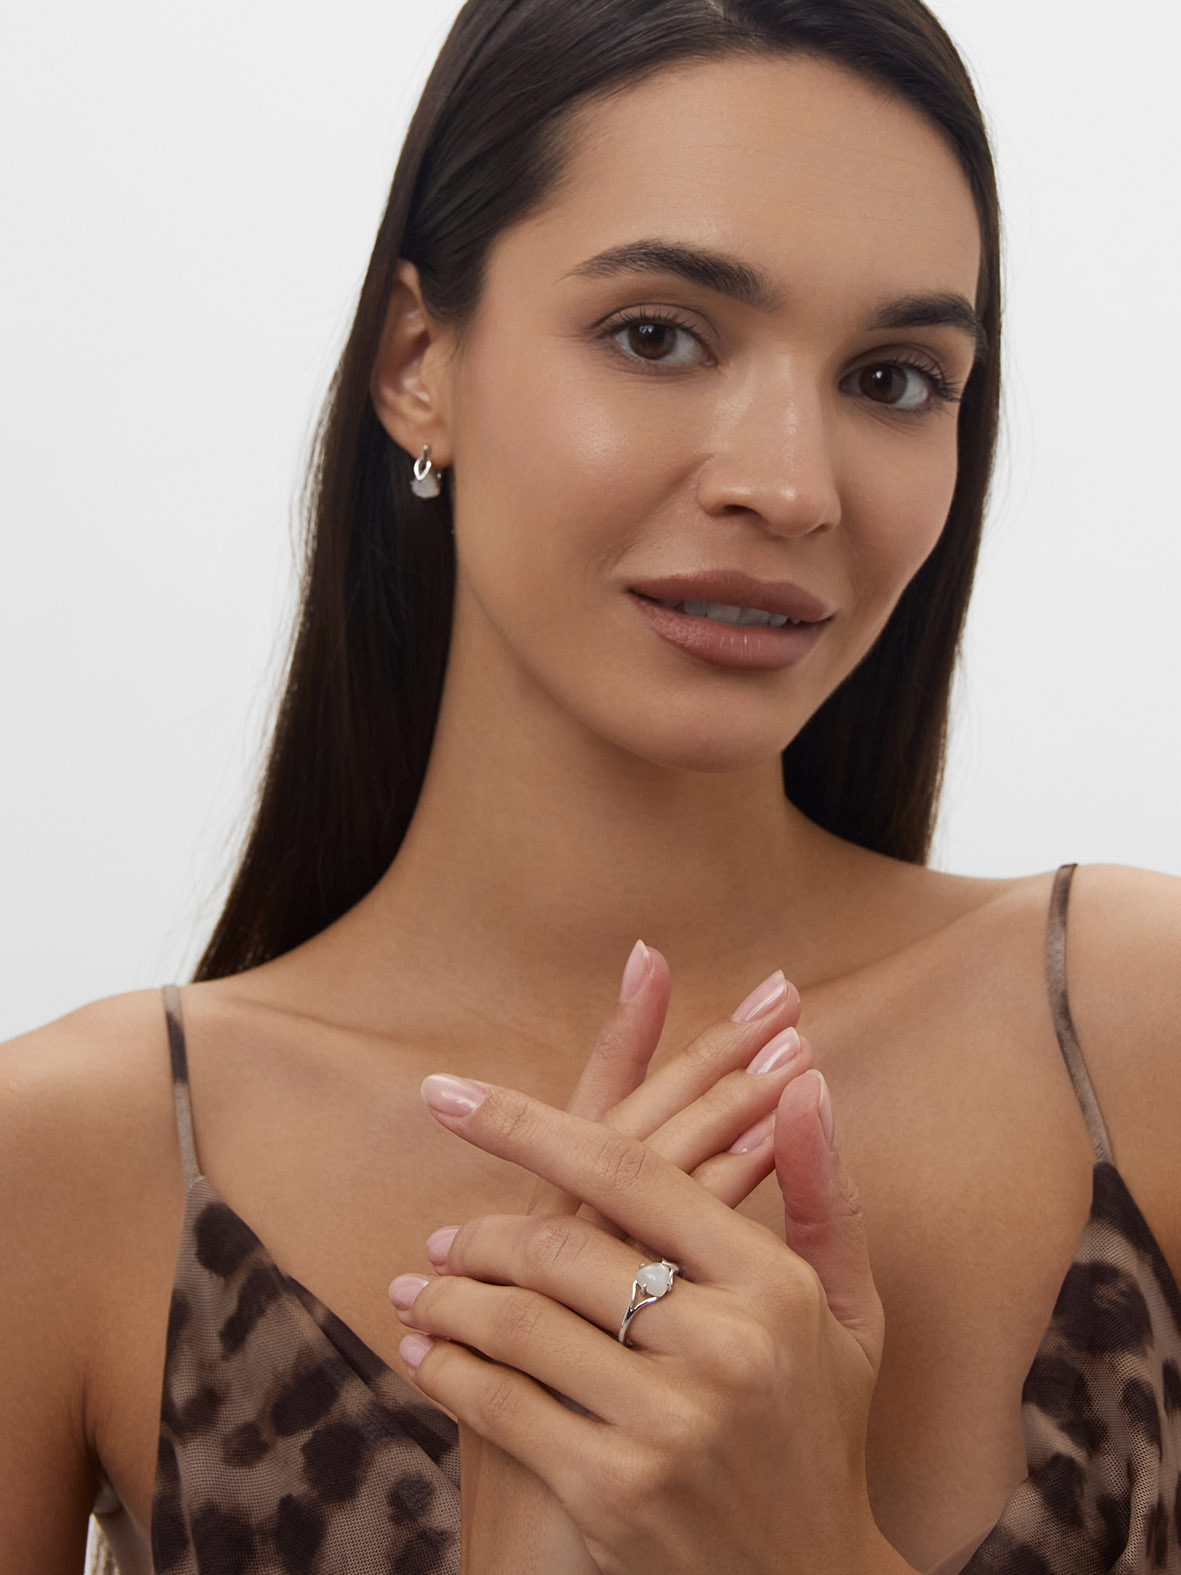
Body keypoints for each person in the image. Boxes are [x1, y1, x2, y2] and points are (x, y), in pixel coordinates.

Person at [3, 0, 1179, 1570]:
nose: (789, 484)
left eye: (894, 377)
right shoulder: (76, 1166)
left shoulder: (1137, 1028)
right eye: (657, 336)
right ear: (417, 362)